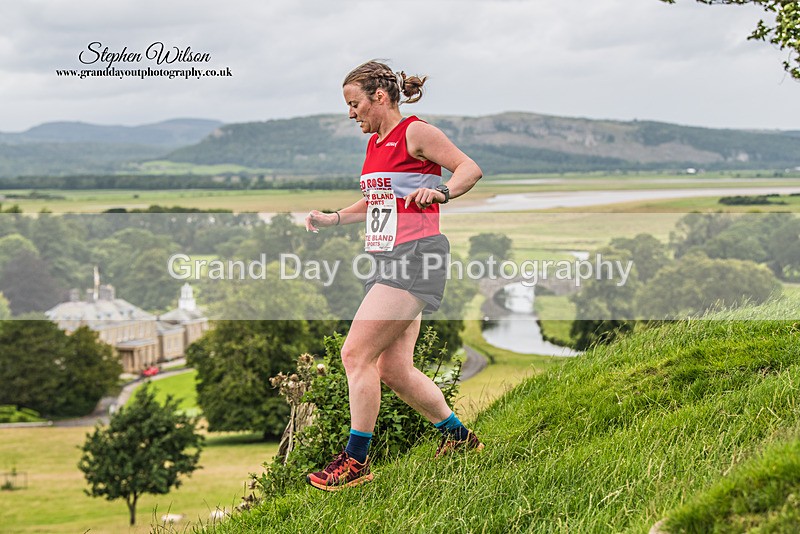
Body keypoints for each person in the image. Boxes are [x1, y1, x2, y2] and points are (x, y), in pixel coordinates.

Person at [303, 60, 483, 491]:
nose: (351, 114)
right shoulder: (375, 145)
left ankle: (355, 461)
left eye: (354, 104)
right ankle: (460, 439)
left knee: (354, 355)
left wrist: (440, 190)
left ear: (379, 97)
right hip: (387, 259)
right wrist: (334, 219)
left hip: (417, 256)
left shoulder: (416, 132)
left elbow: (468, 170)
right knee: (394, 368)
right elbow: (376, 203)